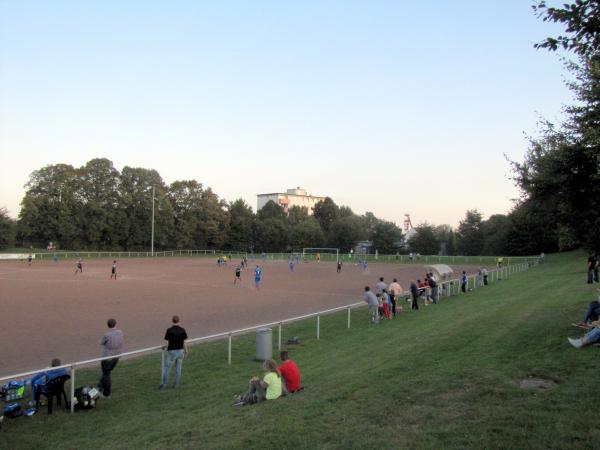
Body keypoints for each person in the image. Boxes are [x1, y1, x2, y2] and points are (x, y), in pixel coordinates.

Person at [160, 315, 189, 390]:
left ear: (172, 321)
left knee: (167, 368)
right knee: (178, 368)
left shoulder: (169, 330)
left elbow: (167, 343)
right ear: (179, 321)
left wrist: (164, 347)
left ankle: (164, 384)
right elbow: (185, 342)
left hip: (171, 352)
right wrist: (186, 351)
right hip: (180, 352)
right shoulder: (182, 330)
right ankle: (176, 384)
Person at [98, 318, 123, 397]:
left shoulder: (107, 335)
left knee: (106, 374)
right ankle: (100, 384)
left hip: (107, 358)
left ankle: (106, 393)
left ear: (108, 325)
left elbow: (101, 342)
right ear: (115, 324)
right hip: (116, 357)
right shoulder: (120, 332)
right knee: (106, 373)